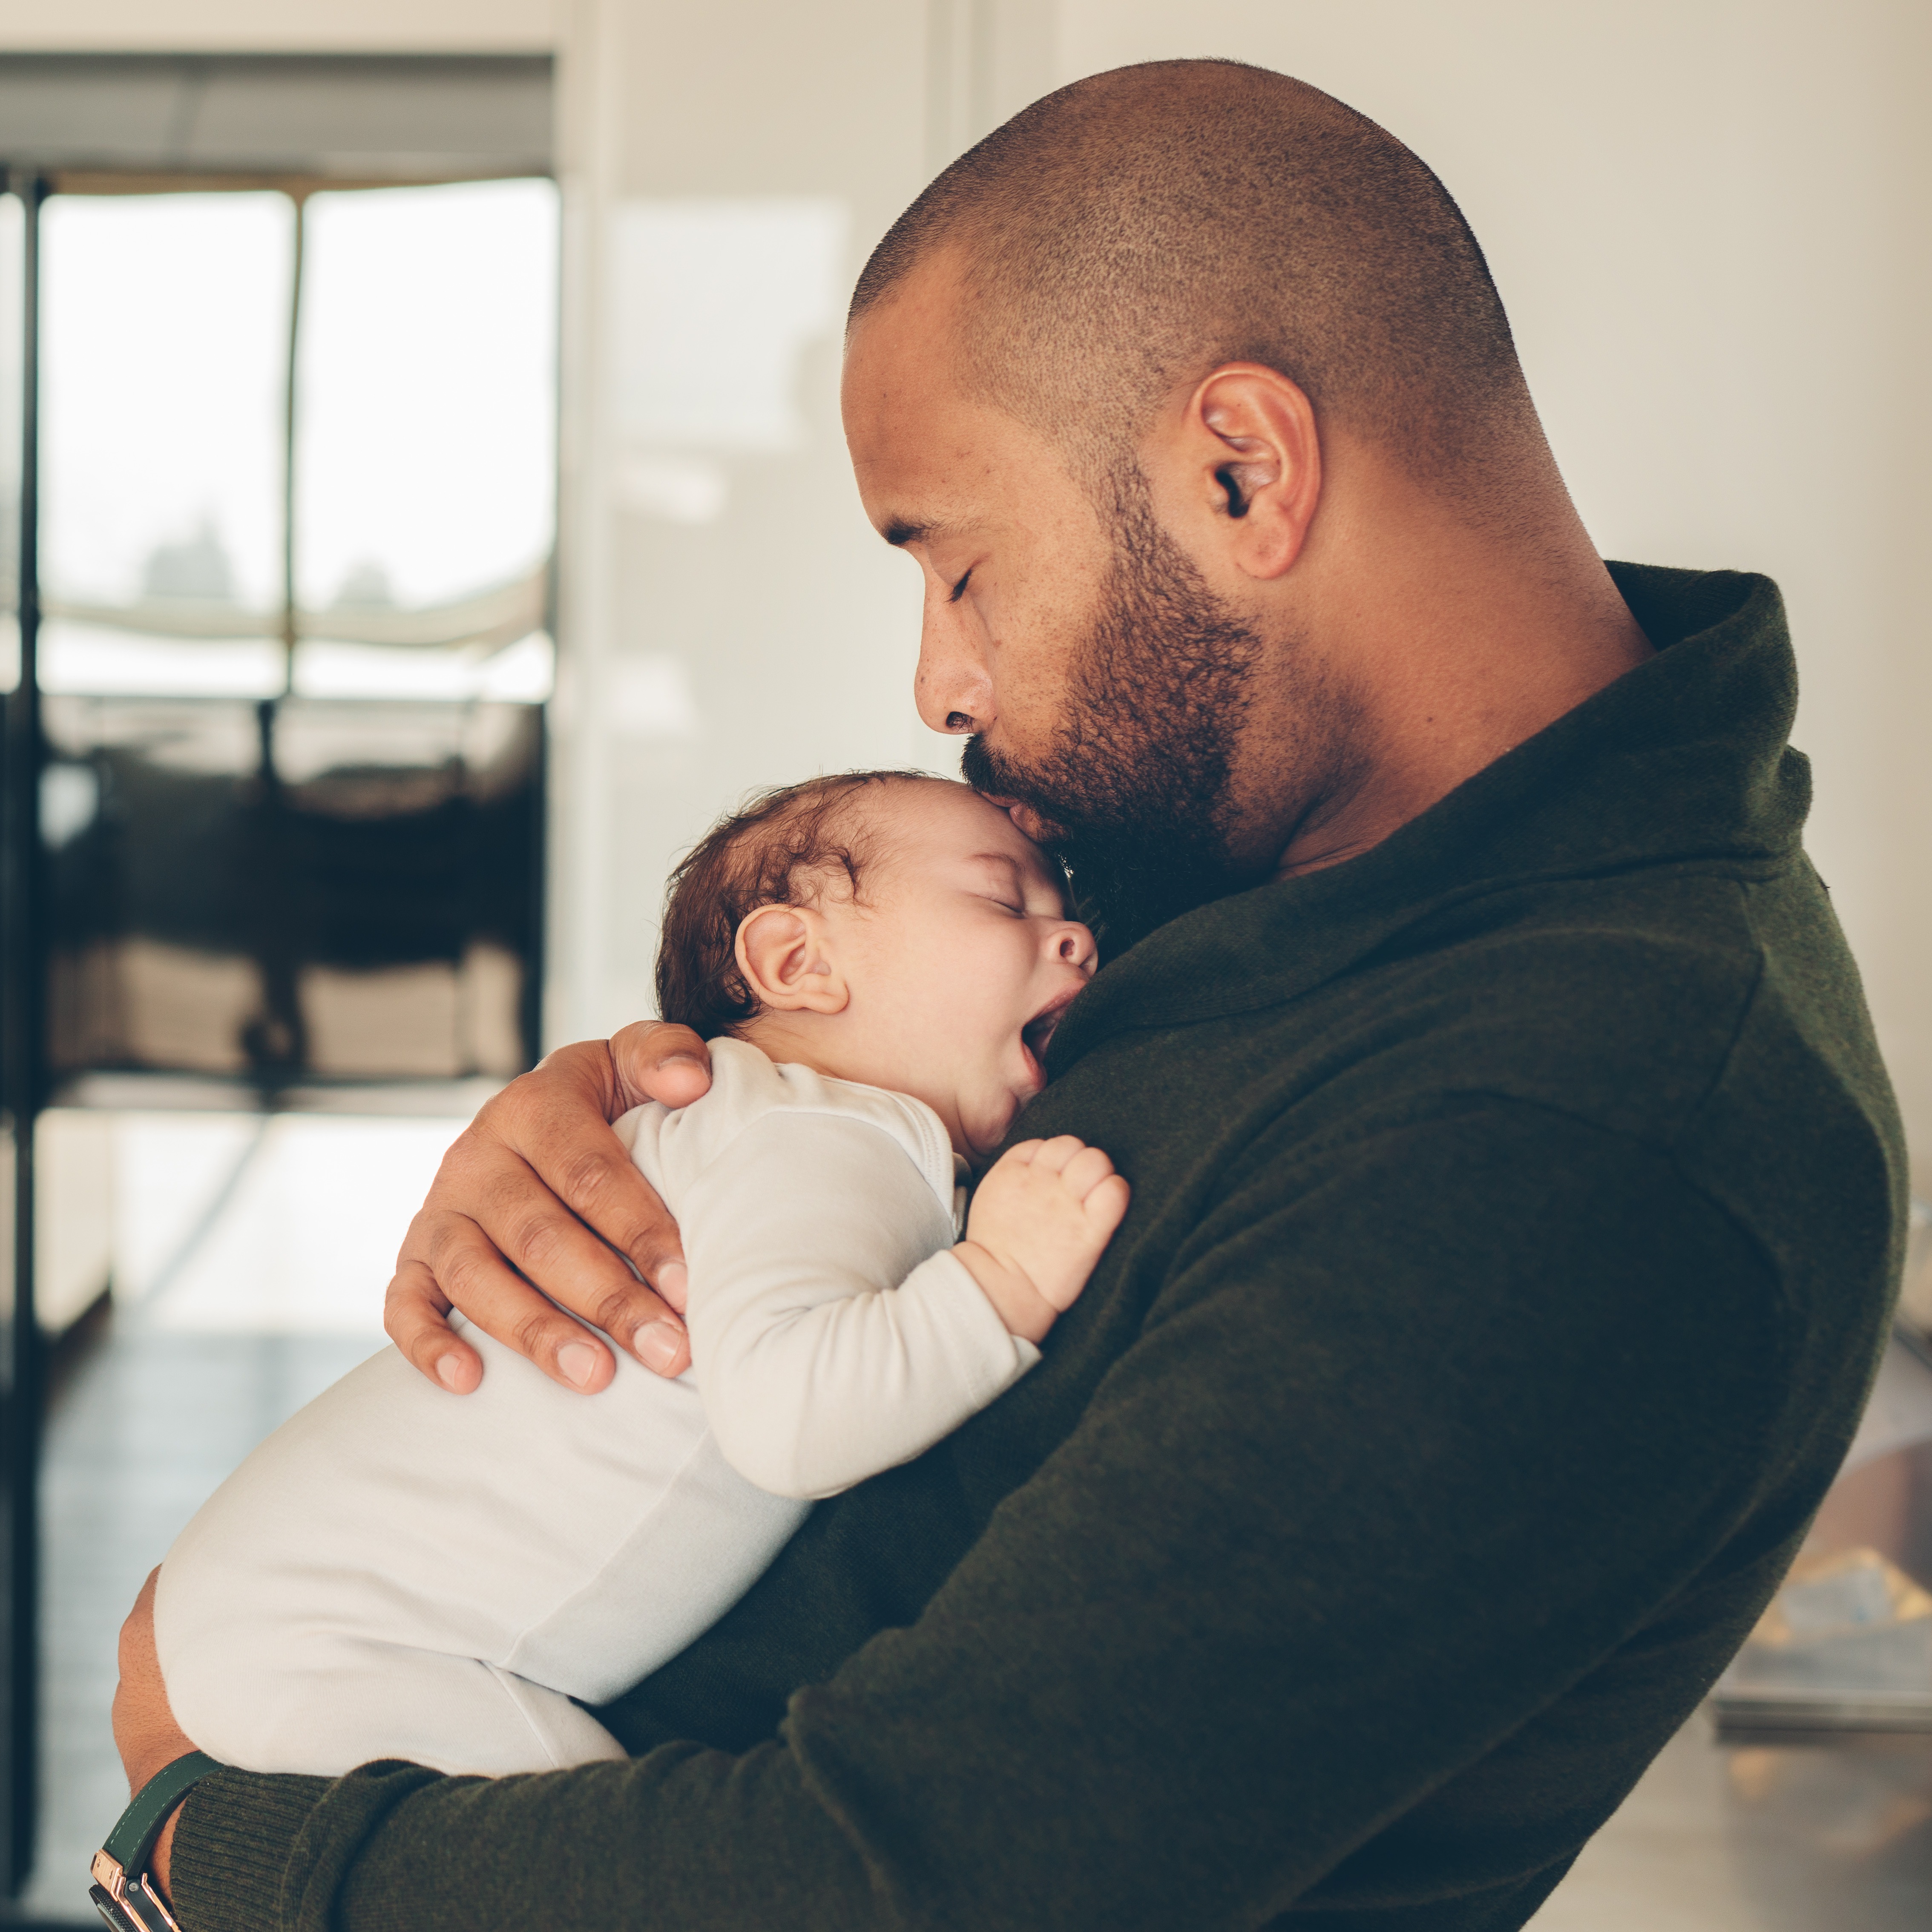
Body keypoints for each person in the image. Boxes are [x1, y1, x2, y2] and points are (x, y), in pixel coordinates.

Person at [114, 59, 1905, 1932]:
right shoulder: (1273, 871)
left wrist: (215, 1850)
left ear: (1244, 471)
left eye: (961, 566)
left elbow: (899, 1883)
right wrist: (647, 1115)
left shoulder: (1588, 1122)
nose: (938, 683)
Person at [152, 773, 1126, 1777]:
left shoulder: (746, 1127)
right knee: (570, 1842)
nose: (1077, 941)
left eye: (1067, 913)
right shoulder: (830, 1134)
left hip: (264, 1600)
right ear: (798, 959)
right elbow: (790, 1417)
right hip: (340, 1636)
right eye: (1006, 902)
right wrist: (1001, 1279)